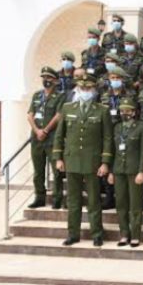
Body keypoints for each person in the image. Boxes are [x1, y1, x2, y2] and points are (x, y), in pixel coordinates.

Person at [52, 74, 113, 247]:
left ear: (94, 90)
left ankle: (97, 234)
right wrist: (58, 158)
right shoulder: (67, 108)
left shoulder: (102, 110)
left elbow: (107, 138)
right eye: (82, 88)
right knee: (73, 201)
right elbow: (59, 135)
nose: (85, 91)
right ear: (77, 89)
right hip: (71, 160)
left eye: (88, 88)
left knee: (94, 200)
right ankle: (73, 234)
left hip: (92, 162)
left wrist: (105, 162)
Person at [107, 98, 143, 247]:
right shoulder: (117, 127)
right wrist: (111, 171)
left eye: (128, 110)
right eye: (122, 111)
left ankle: (135, 235)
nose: (125, 113)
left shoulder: (141, 127)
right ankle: (124, 234)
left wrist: (141, 171)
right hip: (119, 170)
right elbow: (113, 151)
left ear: (134, 112)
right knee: (121, 203)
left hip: (134, 170)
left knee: (135, 204)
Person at [27, 67, 66, 209]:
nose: (46, 80)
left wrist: (45, 130)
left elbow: (59, 115)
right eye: (44, 77)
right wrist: (37, 131)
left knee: (56, 171)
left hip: (52, 138)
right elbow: (30, 115)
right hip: (36, 138)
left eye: (49, 77)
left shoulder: (60, 96)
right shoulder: (37, 95)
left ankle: (57, 199)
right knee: (38, 171)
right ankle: (39, 197)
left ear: (55, 80)